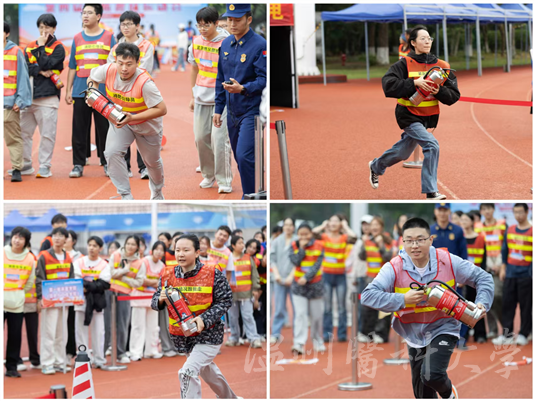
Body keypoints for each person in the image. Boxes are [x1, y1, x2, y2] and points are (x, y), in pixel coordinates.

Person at [361, 217, 494, 399]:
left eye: (420, 239)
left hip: (444, 326)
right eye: (409, 240)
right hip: (413, 333)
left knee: (432, 374)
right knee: (422, 394)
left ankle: (449, 393)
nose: (414, 245)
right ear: (402, 241)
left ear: (430, 240)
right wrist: (403, 299)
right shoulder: (394, 267)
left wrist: (482, 303)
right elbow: (368, 295)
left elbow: (483, 277)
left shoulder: (447, 260)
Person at [368, 25, 460, 200]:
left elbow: (454, 96)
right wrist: (414, 83)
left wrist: (438, 91)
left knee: (402, 153)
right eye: (422, 38)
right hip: (408, 114)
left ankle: (376, 166)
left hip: (428, 117)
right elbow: (388, 85)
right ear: (413, 43)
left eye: (429, 38)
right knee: (432, 145)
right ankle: (431, 191)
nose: (427, 41)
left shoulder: (442, 66)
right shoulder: (404, 64)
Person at [151, 234, 238, 399]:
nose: (180, 254)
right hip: (184, 336)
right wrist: (160, 300)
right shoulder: (167, 275)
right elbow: (155, 301)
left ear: (197, 252)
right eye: (177, 250)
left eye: (186, 250)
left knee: (187, 372)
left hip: (209, 334)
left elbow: (225, 300)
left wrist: (204, 319)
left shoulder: (212, 273)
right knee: (209, 373)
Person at [88, 43, 167, 200]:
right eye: (120, 63)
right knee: (111, 153)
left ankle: (157, 192)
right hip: (121, 121)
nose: (124, 68)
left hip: (147, 126)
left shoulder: (145, 84)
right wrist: (93, 94)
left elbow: (162, 109)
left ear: (137, 63)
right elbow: (92, 78)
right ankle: (125, 196)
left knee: (151, 162)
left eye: (129, 64)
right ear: (115, 61)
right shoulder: (108, 70)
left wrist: (132, 118)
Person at [214, 4, 267, 197]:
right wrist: (218, 108)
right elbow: (220, 78)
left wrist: (243, 88)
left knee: (244, 156)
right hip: (231, 111)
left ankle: (250, 195)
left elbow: (264, 79)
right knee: (239, 156)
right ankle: (255, 191)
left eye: (237, 20)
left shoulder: (260, 45)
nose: (232, 24)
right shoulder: (226, 44)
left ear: (249, 19)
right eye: (229, 20)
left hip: (251, 109)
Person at [66, 4, 117, 178]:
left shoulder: (109, 37)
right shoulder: (77, 38)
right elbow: (72, 66)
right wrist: (69, 90)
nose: (85, 16)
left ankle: (106, 163)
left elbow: (114, 66)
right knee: (79, 129)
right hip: (81, 91)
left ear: (99, 16)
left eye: (89, 13)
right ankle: (78, 164)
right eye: (83, 13)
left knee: (104, 129)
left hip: (103, 92)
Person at [188, 7, 233, 193]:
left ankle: (224, 180)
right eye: (199, 25)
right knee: (200, 138)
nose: (202, 29)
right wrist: (193, 95)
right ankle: (208, 175)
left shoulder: (227, 43)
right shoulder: (195, 42)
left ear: (216, 23)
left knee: (219, 140)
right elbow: (194, 69)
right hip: (201, 96)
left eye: (206, 25)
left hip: (221, 98)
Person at [108, 10, 155, 180]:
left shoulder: (147, 46)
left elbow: (144, 69)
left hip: (140, 94)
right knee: (121, 127)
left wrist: (125, 75)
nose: (125, 27)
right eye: (123, 24)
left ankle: (144, 168)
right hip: (120, 95)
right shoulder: (116, 47)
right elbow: (111, 68)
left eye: (129, 24)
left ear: (137, 26)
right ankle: (125, 167)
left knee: (142, 131)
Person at [21, 13, 66, 179]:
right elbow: (24, 67)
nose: (43, 30)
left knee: (47, 134)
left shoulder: (58, 48)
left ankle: (45, 166)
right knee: (23, 133)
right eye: (41, 27)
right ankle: (25, 165)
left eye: (47, 27)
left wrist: (41, 48)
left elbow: (48, 64)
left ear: (54, 28)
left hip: (48, 97)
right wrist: (39, 71)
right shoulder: (29, 46)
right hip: (28, 96)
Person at [35, 227, 74, 375]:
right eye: (55, 235)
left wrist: (72, 297)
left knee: (62, 333)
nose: (57, 238)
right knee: (48, 333)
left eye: (60, 236)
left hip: (64, 301)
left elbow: (71, 278)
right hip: (49, 300)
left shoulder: (68, 257)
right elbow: (39, 278)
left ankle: (59, 361)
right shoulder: (44, 256)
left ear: (66, 239)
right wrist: (40, 298)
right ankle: (47, 363)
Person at [312, 214, 357, 343]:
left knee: (342, 307)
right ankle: (327, 334)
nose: (333, 223)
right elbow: (312, 233)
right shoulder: (324, 237)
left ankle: (342, 334)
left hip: (340, 275)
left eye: (336, 221)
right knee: (327, 307)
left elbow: (354, 237)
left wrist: (346, 227)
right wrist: (322, 225)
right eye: (331, 221)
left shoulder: (344, 238)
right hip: (326, 275)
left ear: (340, 224)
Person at [494, 203, 532, 346]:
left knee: (525, 306)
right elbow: (505, 250)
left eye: (521, 212)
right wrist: (503, 268)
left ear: (527, 212)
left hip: (526, 274)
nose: (518, 215)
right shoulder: (510, 229)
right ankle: (507, 335)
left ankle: (524, 333)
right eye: (515, 212)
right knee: (507, 305)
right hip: (510, 273)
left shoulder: (532, 230)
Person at [285, 223, 325, 354]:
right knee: (300, 315)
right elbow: (295, 261)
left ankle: (317, 340)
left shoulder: (319, 245)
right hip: (299, 286)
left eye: (306, 234)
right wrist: (301, 248)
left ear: (311, 234)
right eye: (300, 234)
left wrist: (306, 278)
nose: (303, 237)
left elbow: (317, 266)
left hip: (315, 285)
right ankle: (299, 343)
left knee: (316, 316)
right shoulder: (294, 245)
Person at [73, 236, 110, 368]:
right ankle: (83, 358)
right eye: (90, 245)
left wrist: (87, 286)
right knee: (80, 332)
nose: (91, 248)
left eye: (95, 246)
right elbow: (77, 279)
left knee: (98, 332)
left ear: (100, 248)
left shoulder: (104, 264)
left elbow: (104, 283)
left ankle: (99, 358)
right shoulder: (79, 262)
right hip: (80, 300)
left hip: (97, 302)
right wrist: (93, 284)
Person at [4, 227, 36, 378]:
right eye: (15, 237)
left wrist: (18, 294)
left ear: (26, 242)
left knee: (15, 336)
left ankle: (11, 367)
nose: (17, 240)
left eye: (21, 238)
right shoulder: (2, 253)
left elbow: (29, 282)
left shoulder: (29, 258)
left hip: (16, 304)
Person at [108, 235, 144, 363]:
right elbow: (111, 273)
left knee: (123, 324)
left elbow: (139, 282)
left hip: (124, 295)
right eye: (128, 243)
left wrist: (123, 277)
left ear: (137, 247)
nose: (130, 246)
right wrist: (124, 270)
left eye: (133, 244)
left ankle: (121, 352)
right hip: (110, 292)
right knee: (107, 323)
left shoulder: (139, 263)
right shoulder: (116, 255)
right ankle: (106, 349)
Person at [4, 21, 32, 183]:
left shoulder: (16, 51)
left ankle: (16, 169)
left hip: (8, 103)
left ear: (7, 34)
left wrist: (20, 100)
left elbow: (22, 77)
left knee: (13, 138)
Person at [359, 216, 394, 343]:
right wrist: (363, 244)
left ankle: (381, 334)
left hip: (383, 279)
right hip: (369, 277)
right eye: (372, 225)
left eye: (376, 224)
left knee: (383, 307)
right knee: (368, 307)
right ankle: (367, 333)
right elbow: (362, 257)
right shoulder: (367, 240)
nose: (373, 227)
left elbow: (388, 258)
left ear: (381, 227)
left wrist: (380, 245)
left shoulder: (387, 240)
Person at [475, 203, 507, 339]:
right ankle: (493, 329)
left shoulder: (502, 224)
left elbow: (506, 245)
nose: (487, 211)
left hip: (499, 265)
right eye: (484, 209)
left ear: (493, 210)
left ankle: (506, 327)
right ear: (481, 211)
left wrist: (502, 265)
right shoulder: (477, 227)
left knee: (498, 296)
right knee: (487, 297)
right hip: (485, 266)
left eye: (489, 208)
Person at [129, 241, 165, 360]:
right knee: (138, 326)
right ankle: (135, 352)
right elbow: (140, 279)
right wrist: (153, 282)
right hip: (139, 297)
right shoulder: (143, 262)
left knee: (153, 326)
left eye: (161, 250)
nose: (159, 252)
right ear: (152, 250)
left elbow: (161, 283)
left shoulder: (162, 266)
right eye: (157, 249)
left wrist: (151, 283)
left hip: (153, 298)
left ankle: (151, 351)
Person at [225, 236, 262, 348]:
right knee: (233, 317)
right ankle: (234, 338)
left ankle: (254, 338)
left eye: (243, 242)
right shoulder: (227, 258)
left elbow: (254, 275)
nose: (242, 245)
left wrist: (255, 289)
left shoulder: (248, 258)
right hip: (231, 294)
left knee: (248, 316)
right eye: (239, 243)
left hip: (246, 293)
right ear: (233, 245)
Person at [460, 212, 487, 343]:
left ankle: (480, 334)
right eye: (462, 220)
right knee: (463, 307)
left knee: (477, 306)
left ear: (472, 222)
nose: (463, 222)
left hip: (475, 277)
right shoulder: (459, 237)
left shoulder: (480, 238)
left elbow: (484, 259)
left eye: (466, 220)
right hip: (461, 278)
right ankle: (463, 335)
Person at [346, 214, 373, 342]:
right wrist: (354, 276)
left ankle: (369, 332)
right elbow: (356, 259)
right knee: (362, 306)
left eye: (368, 224)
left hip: (372, 276)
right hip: (361, 276)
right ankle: (361, 331)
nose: (366, 227)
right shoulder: (359, 241)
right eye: (364, 225)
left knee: (372, 306)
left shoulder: (375, 240)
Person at [64, 230, 82, 361]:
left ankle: (70, 351)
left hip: (73, 293)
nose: (64, 239)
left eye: (68, 237)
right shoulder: (56, 255)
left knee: (71, 322)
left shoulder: (79, 257)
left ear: (74, 241)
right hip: (58, 294)